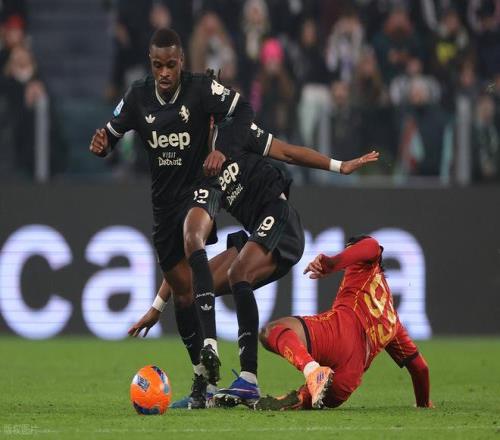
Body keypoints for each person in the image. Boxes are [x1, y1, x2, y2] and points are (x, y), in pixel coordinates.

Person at [129, 121, 379, 408]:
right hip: (257, 234)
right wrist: (157, 306)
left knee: (239, 272)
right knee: (193, 286)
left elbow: (288, 153)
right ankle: (206, 387)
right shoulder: (197, 175)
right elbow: (190, 250)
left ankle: (248, 379)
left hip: (281, 221)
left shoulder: (235, 132)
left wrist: (340, 166)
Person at [89, 28, 254, 408]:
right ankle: (203, 379)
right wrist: (102, 146)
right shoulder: (137, 96)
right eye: (158, 65)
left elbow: (242, 110)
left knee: (194, 236)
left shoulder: (200, 89)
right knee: (182, 294)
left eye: (171, 65)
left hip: (200, 189)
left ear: (182, 62)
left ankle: (211, 343)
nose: (164, 73)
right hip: (163, 206)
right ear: (151, 64)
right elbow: (110, 135)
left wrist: (222, 150)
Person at [257, 235, 432, 410]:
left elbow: (368, 247)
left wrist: (331, 264)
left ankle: (312, 371)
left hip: (337, 335)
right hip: (345, 382)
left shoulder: (367, 261)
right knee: (318, 395)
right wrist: (423, 403)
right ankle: (303, 397)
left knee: (270, 331)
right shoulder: (394, 322)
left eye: (351, 250)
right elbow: (420, 368)